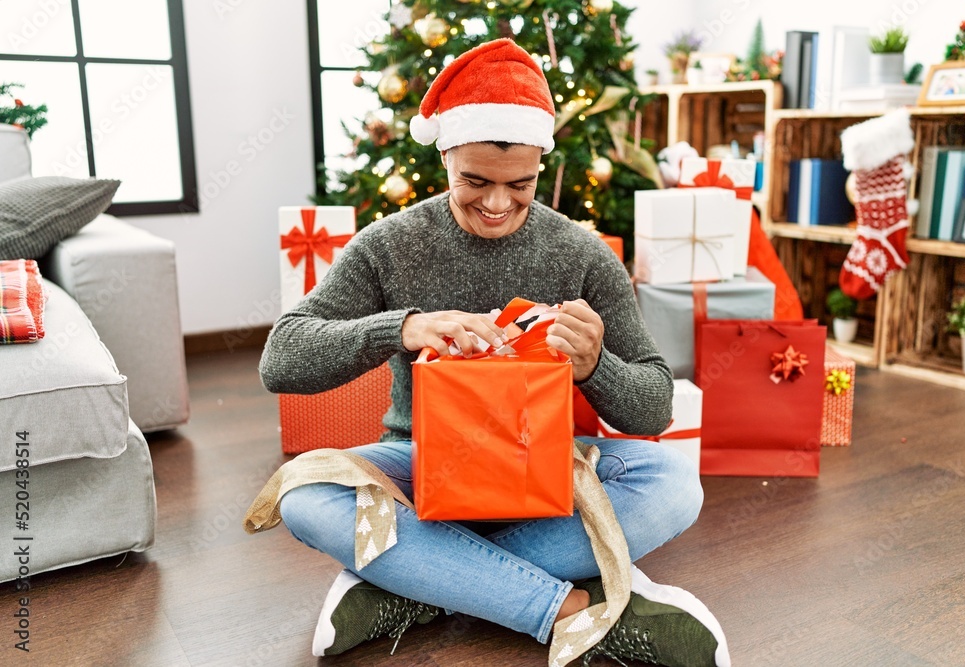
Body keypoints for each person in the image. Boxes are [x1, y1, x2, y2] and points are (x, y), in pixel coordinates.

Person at [260, 38, 723, 666]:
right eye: (474, 181)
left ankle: (422, 584)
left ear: (540, 162)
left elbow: (654, 411)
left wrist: (596, 366)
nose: (498, 203)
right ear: (445, 152)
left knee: (674, 484)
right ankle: (565, 609)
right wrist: (401, 327)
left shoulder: (582, 253)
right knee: (305, 494)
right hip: (419, 464)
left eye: (521, 185)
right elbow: (281, 359)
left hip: (545, 468)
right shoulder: (389, 245)